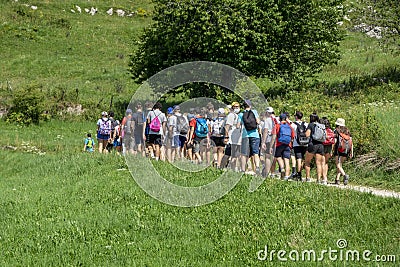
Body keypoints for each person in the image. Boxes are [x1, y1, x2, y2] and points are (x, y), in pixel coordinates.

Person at [238, 99, 261, 175]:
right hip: (255, 135)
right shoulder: (254, 112)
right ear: (250, 105)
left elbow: (238, 126)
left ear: (243, 106)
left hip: (245, 135)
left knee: (244, 153)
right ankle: (257, 167)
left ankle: (243, 169)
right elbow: (258, 122)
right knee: (255, 153)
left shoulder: (241, 114)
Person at [304, 113, 326, 183]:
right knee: (318, 163)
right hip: (320, 145)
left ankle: (308, 178)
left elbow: (307, 135)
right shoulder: (321, 126)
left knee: (307, 161)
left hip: (312, 144)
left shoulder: (310, 125)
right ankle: (318, 179)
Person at [273, 113, 296, 180]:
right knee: (287, 161)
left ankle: (282, 168)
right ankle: (286, 176)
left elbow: (274, 136)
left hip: (279, 144)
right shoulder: (290, 127)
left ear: (279, 119)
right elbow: (292, 137)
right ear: (286, 119)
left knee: (278, 157)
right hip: (288, 145)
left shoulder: (277, 126)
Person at [221, 102, 242, 171]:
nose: (236, 108)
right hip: (231, 139)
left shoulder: (238, 115)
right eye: (235, 107)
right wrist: (226, 137)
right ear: (232, 108)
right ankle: (221, 167)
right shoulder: (231, 115)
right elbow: (227, 126)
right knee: (227, 154)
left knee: (235, 155)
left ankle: (233, 169)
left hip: (237, 139)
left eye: (237, 107)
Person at [333, 118, 353, 185]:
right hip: (346, 150)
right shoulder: (347, 131)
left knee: (338, 165)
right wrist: (351, 152)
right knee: (340, 165)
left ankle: (345, 175)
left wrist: (332, 149)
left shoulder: (336, 131)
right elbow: (351, 142)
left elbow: (335, 141)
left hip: (338, 150)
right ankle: (337, 180)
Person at [291, 111, 309, 181]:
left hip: (297, 144)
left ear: (296, 116)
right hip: (305, 143)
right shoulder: (306, 124)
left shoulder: (293, 125)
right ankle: (300, 172)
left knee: (298, 159)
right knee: (303, 159)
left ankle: (299, 174)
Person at [261, 107, 277, 177]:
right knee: (274, 156)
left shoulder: (267, 120)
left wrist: (263, 142)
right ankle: (273, 172)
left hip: (269, 139)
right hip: (276, 140)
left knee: (267, 157)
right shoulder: (277, 119)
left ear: (267, 112)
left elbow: (265, 131)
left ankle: (267, 173)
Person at [321, 117, 335, 183]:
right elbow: (333, 141)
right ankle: (325, 176)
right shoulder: (331, 130)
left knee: (322, 162)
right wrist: (332, 150)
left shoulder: (322, 130)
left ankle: (324, 178)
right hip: (329, 146)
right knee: (326, 162)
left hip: (323, 146)